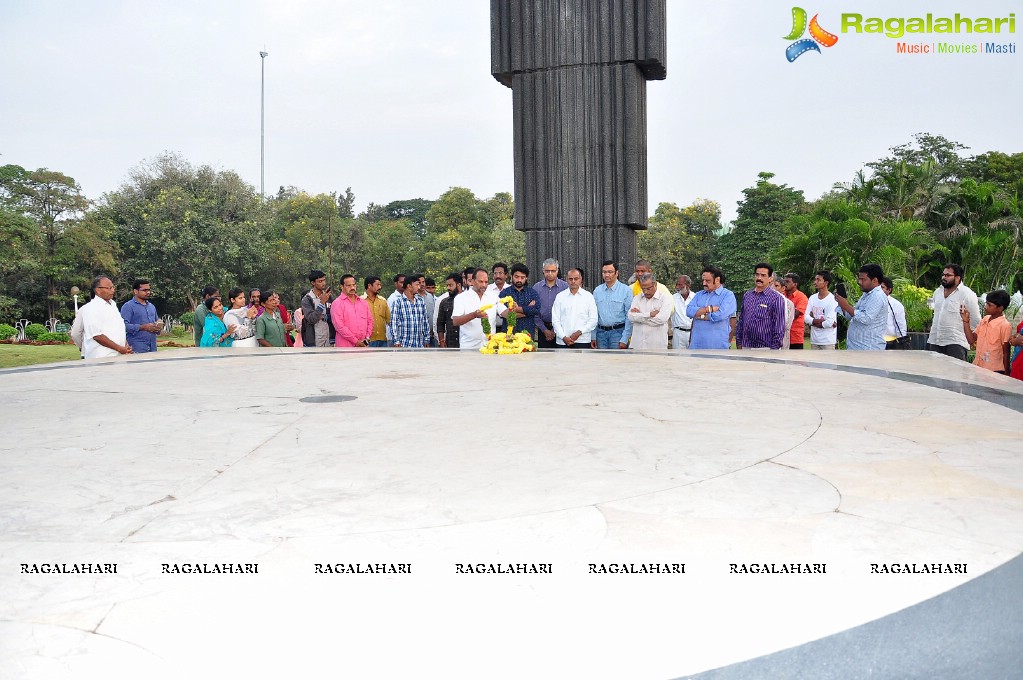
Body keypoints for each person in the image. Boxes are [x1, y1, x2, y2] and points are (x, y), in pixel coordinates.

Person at [927, 264, 981, 362]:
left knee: (954, 375)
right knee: (934, 375)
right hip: (935, 340)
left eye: (948, 275)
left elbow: (976, 320)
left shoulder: (967, 294)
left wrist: (971, 339)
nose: (944, 277)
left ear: (957, 277)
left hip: (955, 343)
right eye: (943, 275)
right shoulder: (938, 292)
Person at [836, 263, 887, 350]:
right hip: (857, 347)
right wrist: (842, 305)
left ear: (874, 280)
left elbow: (866, 318)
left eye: (863, 279)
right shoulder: (866, 294)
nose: (859, 282)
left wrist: (846, 306)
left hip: (869, 349)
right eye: (859, 279)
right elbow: (852, 316)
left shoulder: (877, 296)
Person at [735, 263, 786, 350]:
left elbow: (779, 327)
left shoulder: (776, 298)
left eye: (763, 275)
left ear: (770, 278)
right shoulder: (747, 295)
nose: (759, 278)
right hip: (746, 346)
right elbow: (742, 321)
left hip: (766, 348)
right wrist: (739, 342)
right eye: (757, 274)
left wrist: (774, 349)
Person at [80, 275, 132, 359]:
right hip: (102, 357)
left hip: (119, 355)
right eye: (109, 288)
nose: (113, 290)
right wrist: (120, 348)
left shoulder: (113, 304)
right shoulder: (91, 308)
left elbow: (119, 327)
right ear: (98, 290)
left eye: (113, 287)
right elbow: (97, 336)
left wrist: (125, 345)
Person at [687, 266, 737, 350]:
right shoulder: (699, 294)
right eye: (703, 280)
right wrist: (709, 309)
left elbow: (720, 315)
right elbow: (688, 311)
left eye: (707, 281)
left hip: (717, 346)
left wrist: (699, 315)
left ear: (717, 280)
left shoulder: (728, 295)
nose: (704, 283)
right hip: (697, 345)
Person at [963, 290, 1012, 374]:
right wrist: (966, 322)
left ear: (1000, 308)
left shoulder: (1005, 325)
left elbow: (1006, 353)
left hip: (994, 371)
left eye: (989, 305)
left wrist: (1006, 376)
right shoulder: (985, 319)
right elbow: (971, 340)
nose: (985, 307)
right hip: (978, 367)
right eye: (986, 303)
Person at [452, 268, 499, 350]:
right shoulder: (461, 298)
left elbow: (504, 312)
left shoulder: (493, 297)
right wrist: (474, 315)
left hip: (490, 347)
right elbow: (455, 321)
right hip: (468, 348)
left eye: (486, 282)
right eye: (481, 281)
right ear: (472, 281)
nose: (484, 285)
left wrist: (512, 309)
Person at [591, 260, 632, 349]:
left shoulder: (626, 291)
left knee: (616, 361)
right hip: (600, 334)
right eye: (604, 272)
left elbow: (629, 316)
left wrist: (625, 338)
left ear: (616, 273)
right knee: (601, 361)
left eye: (610, 272)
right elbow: (594, 315)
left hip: (618, 333)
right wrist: (593, 336)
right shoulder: (597, 291)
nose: (606, 275)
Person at [552, 268, 597, 348]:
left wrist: (580, 332)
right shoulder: (560, 297)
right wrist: (563, 337)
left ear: (581, 279)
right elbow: (555, 320)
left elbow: (593, 320)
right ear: (567, 280)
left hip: (582, 340)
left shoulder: (588, 297)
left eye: (576, 279)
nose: (573, 281)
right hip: (563, 341)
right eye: (570, 279)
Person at [627, 273, 670, 349]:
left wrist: (639, 316)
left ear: (655, 284)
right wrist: (649, 314)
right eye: (643, 289)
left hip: (657, 346)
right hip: (638, 345)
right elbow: (630, 317)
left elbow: (661, 319)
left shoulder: (664, 299)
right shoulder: (637, 298)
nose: (646, 292)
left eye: (648, 288)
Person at [533, 258, 568, 349]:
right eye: (547, 271)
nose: (550, 273)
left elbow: (568, 310)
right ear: (543, 271)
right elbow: (534, 311)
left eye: (553, 271)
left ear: (557, 271)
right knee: (544, 359)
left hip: (562, 329)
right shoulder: (536, 288)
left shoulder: (565, 287)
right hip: (542, 329)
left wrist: (555, 330)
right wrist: (545, 330)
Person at [498, 263, 541, 338]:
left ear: (526, 278)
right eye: (516, 277)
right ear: (511, 277)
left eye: (522, 277)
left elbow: (537, 309)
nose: (519, 280)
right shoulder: (504, 293)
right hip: (508, 335)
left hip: (527, 334)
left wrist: (517, 309)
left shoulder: (532, 293)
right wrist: (527, 311)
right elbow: (505, 314)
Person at [330, 274, 373, 348]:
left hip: (363, 346)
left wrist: (367, 338)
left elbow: (370, 321)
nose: (352, 287)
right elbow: (340, 327)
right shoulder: (337, 304)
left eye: (353, 285)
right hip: (345, 347)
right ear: (342, 287)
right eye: (348, 285)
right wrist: (356, 341)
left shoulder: (363, 303)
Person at [120, 278, 160, 353]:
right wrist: (142, 327)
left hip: (152, 348)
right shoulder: (128, 306)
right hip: (136, 348)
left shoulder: (151, 306)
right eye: (145, 290)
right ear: (135, 291)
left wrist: (158, 326)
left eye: (149, 290)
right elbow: (123, 326)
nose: (148, 292)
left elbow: (156, 322)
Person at [391, 274, 431, 348]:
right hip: (404, 344)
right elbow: (394, 323)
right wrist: (396, 341)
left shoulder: (420, 301)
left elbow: (425, 321)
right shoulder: (398, 302)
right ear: (409, 286)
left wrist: (426, 339)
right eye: (416, 285)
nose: (419, 287)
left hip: (420, 344)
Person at [804, 271, 839, 350]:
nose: (815, 282)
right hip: (814, 340)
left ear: (826, 283)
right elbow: (805, 317)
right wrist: (819, 321)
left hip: (828, 341)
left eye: (818, 280)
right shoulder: (812, 298)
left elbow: (829, 322)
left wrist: (812, 321)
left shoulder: (832, 299)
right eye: (815, 279)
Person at [300, 269, 333, 348]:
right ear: (313, 283)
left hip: (328, 337)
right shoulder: (307, 299)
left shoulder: (329, 296)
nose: (323, 283)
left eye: (324, 280)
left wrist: (325, 317)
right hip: (314, 339)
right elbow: (311, 319)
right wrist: (322, 303)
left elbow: (334, 316)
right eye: (320, 281)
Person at [880, 277, 909, 350]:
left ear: (889, 290)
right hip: (874, 342)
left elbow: (901, 326)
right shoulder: (871, 303)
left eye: (882, 287)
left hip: (890, 343)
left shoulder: (896, 305)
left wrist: (901, 344)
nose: (879, 290)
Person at [361, 276, 390, 347]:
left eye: (380, 285)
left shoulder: (383, 301)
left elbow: (389, 320)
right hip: (367, 341)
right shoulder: (360, 301)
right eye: (377, 285)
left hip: (382, 340)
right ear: (369, 286)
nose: (380, 287)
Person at [436, 272, 463, 348]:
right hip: (450, 343)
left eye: (450, 285)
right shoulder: (444, 302)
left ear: (459, 285)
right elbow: (440, 324)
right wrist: (441, 341)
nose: (448, 288)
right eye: (447, 285)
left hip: (466, 342)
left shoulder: (467, 299)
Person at [783, 273, 809, 350]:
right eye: (784, 281)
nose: (785, 284)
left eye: (787, 281)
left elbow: (795, 314)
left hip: (795, 337)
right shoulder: (781, 295)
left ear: (795, 284)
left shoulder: (802, 297)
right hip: (782, 336)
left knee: (796, 361)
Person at [670, 275, 696, 350]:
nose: (677, 287)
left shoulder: (696, 297)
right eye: (676, 284)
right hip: (678, 333)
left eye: (680, 284)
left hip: (693, 333)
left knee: (694, 358)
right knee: (678, 359)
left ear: (688, 285)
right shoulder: (672, 298)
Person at [772, 278, 795, 350]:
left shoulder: (789, 304)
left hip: (783, 338)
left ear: (783, 288)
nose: (773, 288)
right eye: (772, 286)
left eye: (776, 286)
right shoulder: (768, 301)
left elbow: (787, 325)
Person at [488, 263, 511, 333]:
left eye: (500, 273)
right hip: (491, 328)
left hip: (508, 327)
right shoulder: (487, 289)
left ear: (506, 275)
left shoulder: (511, 289)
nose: (497, 276)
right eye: (495, 273)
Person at [424, 277, 439, 346]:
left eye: (432, 288)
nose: (431, 290)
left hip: (436, 334)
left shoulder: (439, 300)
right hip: (425, 335)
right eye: (428, 288)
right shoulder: (421, 300)